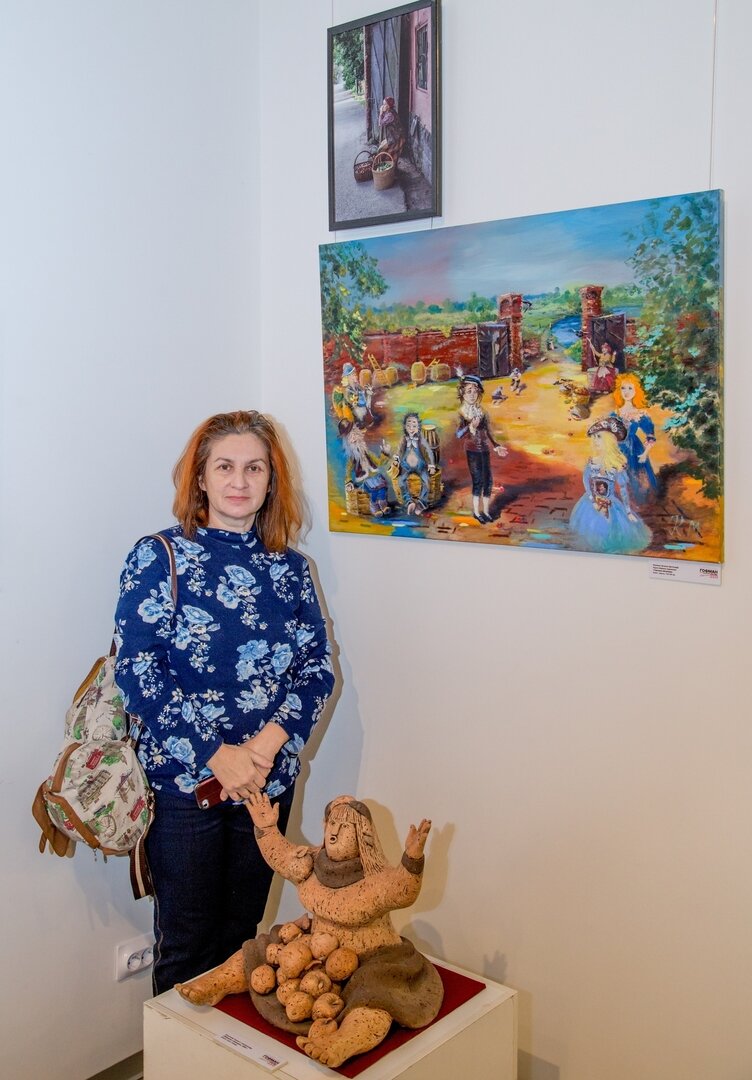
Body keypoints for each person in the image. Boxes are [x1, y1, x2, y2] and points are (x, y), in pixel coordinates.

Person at [113, 410, 335, 993]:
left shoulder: (291, 569)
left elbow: (316, 670)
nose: (240, 481)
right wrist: (218, 756)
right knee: (187, 947)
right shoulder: (159, 556)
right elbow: (137, 672)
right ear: (201, 478)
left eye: (254, 468)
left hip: (266, 785)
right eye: (225, 467)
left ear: (271, 481)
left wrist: (266, 747)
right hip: (186, 787)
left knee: (244, 940)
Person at [177, 793, 442, 1069]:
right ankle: (216, 983)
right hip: (314, 952)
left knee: (375, 996)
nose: (334, 832)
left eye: (345, 826)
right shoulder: (311, 862)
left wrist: (412, 859)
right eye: (332, 823)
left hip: (370, 958)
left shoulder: (375, 878)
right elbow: (282, 857)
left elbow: (401, 890)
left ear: (362, 836)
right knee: (260, 948)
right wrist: (267, 828)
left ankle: (341, 1044)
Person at [568, 416, 651, 554]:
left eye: (599, 437)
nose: (595, 441)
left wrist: (628, 511)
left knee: (611, 529)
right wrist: (592, 500)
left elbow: (623, 489)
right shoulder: (591, 462)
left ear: (609, 440)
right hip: (590, 502)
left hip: (611, 503)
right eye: (594, 437)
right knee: (590, 530)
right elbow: (586, 481)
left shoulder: (616, 465)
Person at [456, 374, 508, 523]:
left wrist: (496, 446)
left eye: (475, 391)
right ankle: (476, 512)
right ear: (462, 393)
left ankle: (485, 511)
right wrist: (470, 426)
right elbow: (458, 434)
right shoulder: (462, 412)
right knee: (477, 480)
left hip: (484, 449)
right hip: (472, 450)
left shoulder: (482, 412)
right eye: (469, 391)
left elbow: (488, 431)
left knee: (488, 480)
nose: (472, 395)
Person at [612, 372, 658, 500]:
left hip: (634, 449)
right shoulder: (615, 413)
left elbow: (650, 436)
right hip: (618, 448)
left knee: (636, 479)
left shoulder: (640, 414)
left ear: (636, 391)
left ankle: (638, 500)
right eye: (623, 388)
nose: (626, 392)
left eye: (630, 388)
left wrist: (645, 453)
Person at [393, 412, 437, 515]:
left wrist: (431, 465)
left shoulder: (421, 439)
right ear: (405, 427)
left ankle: (421, 503)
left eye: (414, 426)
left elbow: (428, 451)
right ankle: (409, 501)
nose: (411, 428)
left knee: (426, 481)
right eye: (408, 426)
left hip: (420, 466)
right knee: (401, 481)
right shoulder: (404, 439)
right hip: (406, 466)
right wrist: (396, 459)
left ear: (418, 428)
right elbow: (399, 450)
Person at [377, 96, 405, 163]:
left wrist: (381, 113)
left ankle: (389, 168)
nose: (383, 106)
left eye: (385, 104)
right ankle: (391, 168)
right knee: (385, 151)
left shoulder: (390, 115)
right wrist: (383, 113)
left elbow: (380, 124)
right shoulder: (389, 112)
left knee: (389, 155)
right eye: (383, 104)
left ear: (389, 106)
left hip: (396, 138)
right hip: (394, 137)